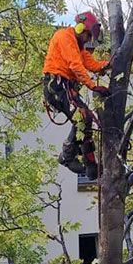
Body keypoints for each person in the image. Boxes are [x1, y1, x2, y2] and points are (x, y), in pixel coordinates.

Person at [42, 11, 110, 180]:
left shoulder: (78, 46)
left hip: (65, 87)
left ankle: (89, 162)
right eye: (87, 35)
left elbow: (91, 64)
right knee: (82, 117)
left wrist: (109, 64)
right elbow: (75, 65)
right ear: (81, 28)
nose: (88, 40)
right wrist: (93, 86)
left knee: (86, 119)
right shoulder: (65, 37)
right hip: (57, 85)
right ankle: (69, 156)